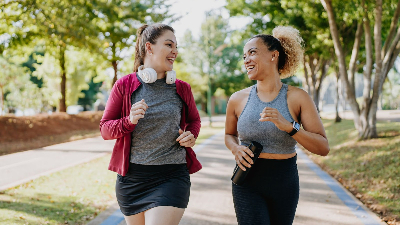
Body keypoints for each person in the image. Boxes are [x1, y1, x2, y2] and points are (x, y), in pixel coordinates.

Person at [225, 26, 330, 225]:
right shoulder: (237, 99)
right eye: (244, 56)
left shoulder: (298, 97)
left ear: (274, 55)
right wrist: (236, 148)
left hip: (284, 182)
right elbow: (229, 135)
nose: (246, 59)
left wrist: (290, 127)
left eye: (252, 53)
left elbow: (323, 147)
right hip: (248, 180)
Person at [99, 23, 201, 225]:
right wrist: (129, 121)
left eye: (176, 47)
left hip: (172, 176)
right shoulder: (124, 85)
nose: (175, 52)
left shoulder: (182, 88)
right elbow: (105, 129)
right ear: (149, 47)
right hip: (132, 181)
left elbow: (194, 120)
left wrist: (191, 134)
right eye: (169, 45)